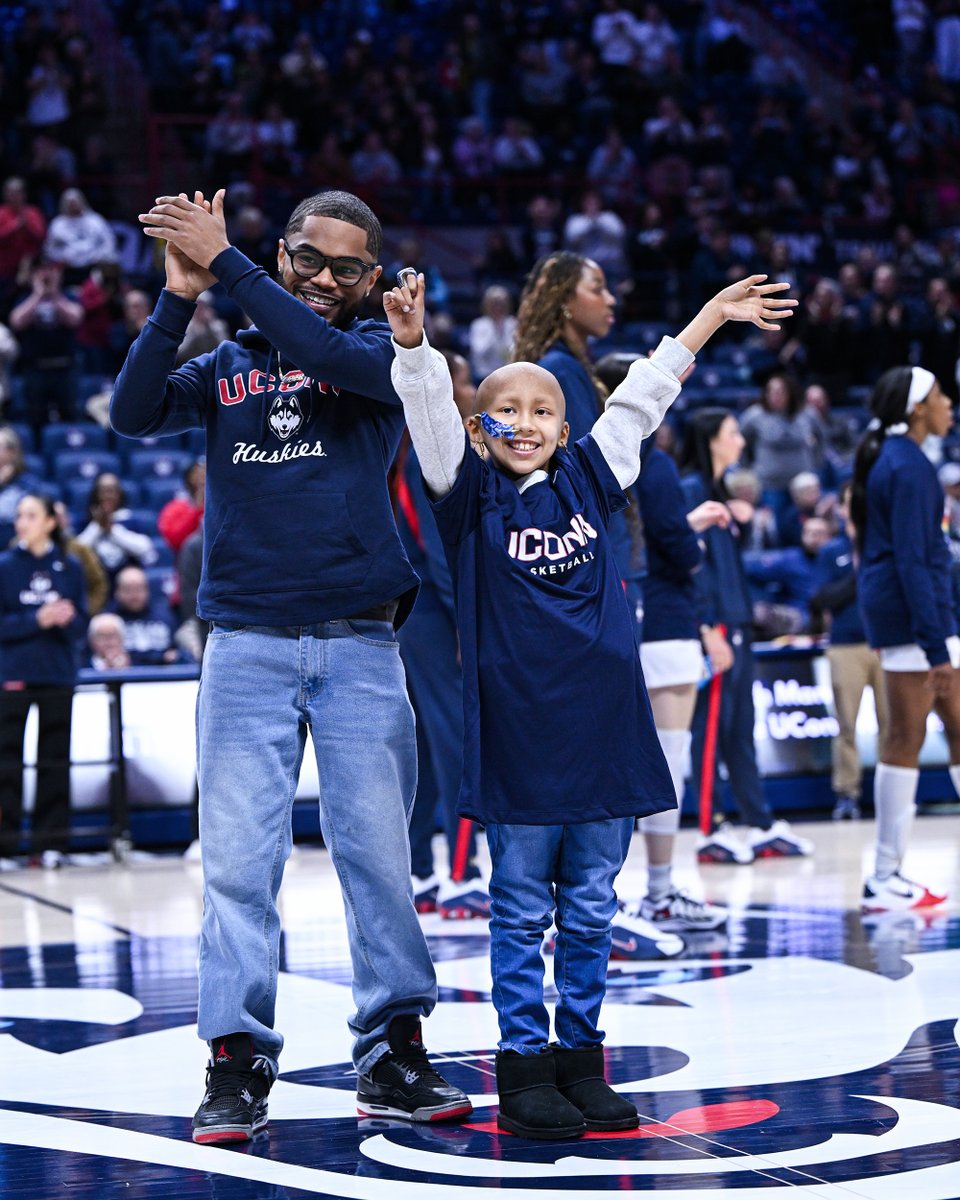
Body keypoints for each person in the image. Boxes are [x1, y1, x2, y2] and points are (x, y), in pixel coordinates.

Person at [384, 266, 795, 1139]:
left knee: (594, 906)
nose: (526, 421)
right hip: (523, 738)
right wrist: (415, 347)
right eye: (509, 409)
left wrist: (712, 313)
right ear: (478, 426)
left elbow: (646, 390)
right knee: (522, 908)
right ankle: (525, 1066)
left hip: (607, 730)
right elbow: (424, 412)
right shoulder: (465, 495)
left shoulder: (594, 476)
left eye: (543, 410)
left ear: (567, 428)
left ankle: (581, 1060)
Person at [119, 186, 470, 1144]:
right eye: (307, 259)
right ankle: (235, 1064)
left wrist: (225, 263)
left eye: (346, 268)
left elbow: (315, 348)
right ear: (282, 254)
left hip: (360, 643)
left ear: (371, 282)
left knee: (379, 864)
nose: (323, 280)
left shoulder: (373, 359)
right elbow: (131, 411)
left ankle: (393, 1051)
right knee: (238, 869)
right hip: (245, 646)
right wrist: (179, 294)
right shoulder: (226, 362)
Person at [596, 352, 729, 936]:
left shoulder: (586, 457)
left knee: (608, 764)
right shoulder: (659, 462)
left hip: (614, 614)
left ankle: (596, 898)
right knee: (666, 761)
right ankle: (660, 890)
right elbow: (673, 544)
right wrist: (692, 542)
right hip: (668, 619)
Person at [679, 408, 815, 864]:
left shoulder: (719, 493)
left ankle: (759, 825)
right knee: (710, 730)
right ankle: (708, 827)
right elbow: (689, 567)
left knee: (739, 731)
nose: (740, 440)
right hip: (715, 625)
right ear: (713, 440)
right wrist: (704, 629)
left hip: (735, 622)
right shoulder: (693, 491)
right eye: (733, 432)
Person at [850, 365, 959, 910]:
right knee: (905, 739)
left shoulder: (893, 460)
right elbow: (913, 562)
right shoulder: (908, 467)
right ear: (917, 408)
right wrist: (936, 646)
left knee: (942, 730)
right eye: (940, 396)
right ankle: (885, 876)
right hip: (922, 622)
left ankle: (885, 874)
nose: (949, 405)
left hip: (912, 618)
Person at [395, 349, 489, 918]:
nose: (469, 385)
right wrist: (466, 620)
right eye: (458, 377)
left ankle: (420, 871)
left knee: (430, 746)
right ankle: (461, 871)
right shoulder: (425, 450)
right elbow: (438, 548)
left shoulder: (421, 444)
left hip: (417, 612)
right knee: (457, 738)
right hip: (436, 612)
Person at [0, 492, 87, 866]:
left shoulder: (70, 567)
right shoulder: (4, 566)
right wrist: (37, 619)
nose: (22, 522)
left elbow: (83, 624)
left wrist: (68, 619)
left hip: (57, 673)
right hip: (14, 674)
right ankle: (5, 846)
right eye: (20, 515)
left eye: (31, 515)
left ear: (50, 521)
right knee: (7, 761)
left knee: (55, 759)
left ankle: (51, 843)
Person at [810, 483, 888, 821]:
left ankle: (892, 792)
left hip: (886, 643)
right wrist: (856, 575)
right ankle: (847, 794)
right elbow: (820, 599)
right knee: (846, 725)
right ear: (841, 509)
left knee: (893, 725)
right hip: (845, 644)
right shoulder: (832, 552)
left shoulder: (887, 545)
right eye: (848, 502)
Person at [76, 472, 158, 579]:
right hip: (93, 582)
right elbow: (76, 553)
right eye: (103, 491)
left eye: (111, 491)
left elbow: (145, 548)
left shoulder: (130, 520)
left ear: (119, 494)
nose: (107, 495)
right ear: (95, 494)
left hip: (126, 585)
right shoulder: (85, 521)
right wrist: (97, 526)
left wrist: (112, 530)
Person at [107, 564, 181, 666]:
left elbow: (176, 653)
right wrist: (159, 657)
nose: (134, 595)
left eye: (138, 589)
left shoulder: (165, 617)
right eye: (128, 589)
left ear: (147, 590)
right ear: (117, 592)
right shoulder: (108, 622)